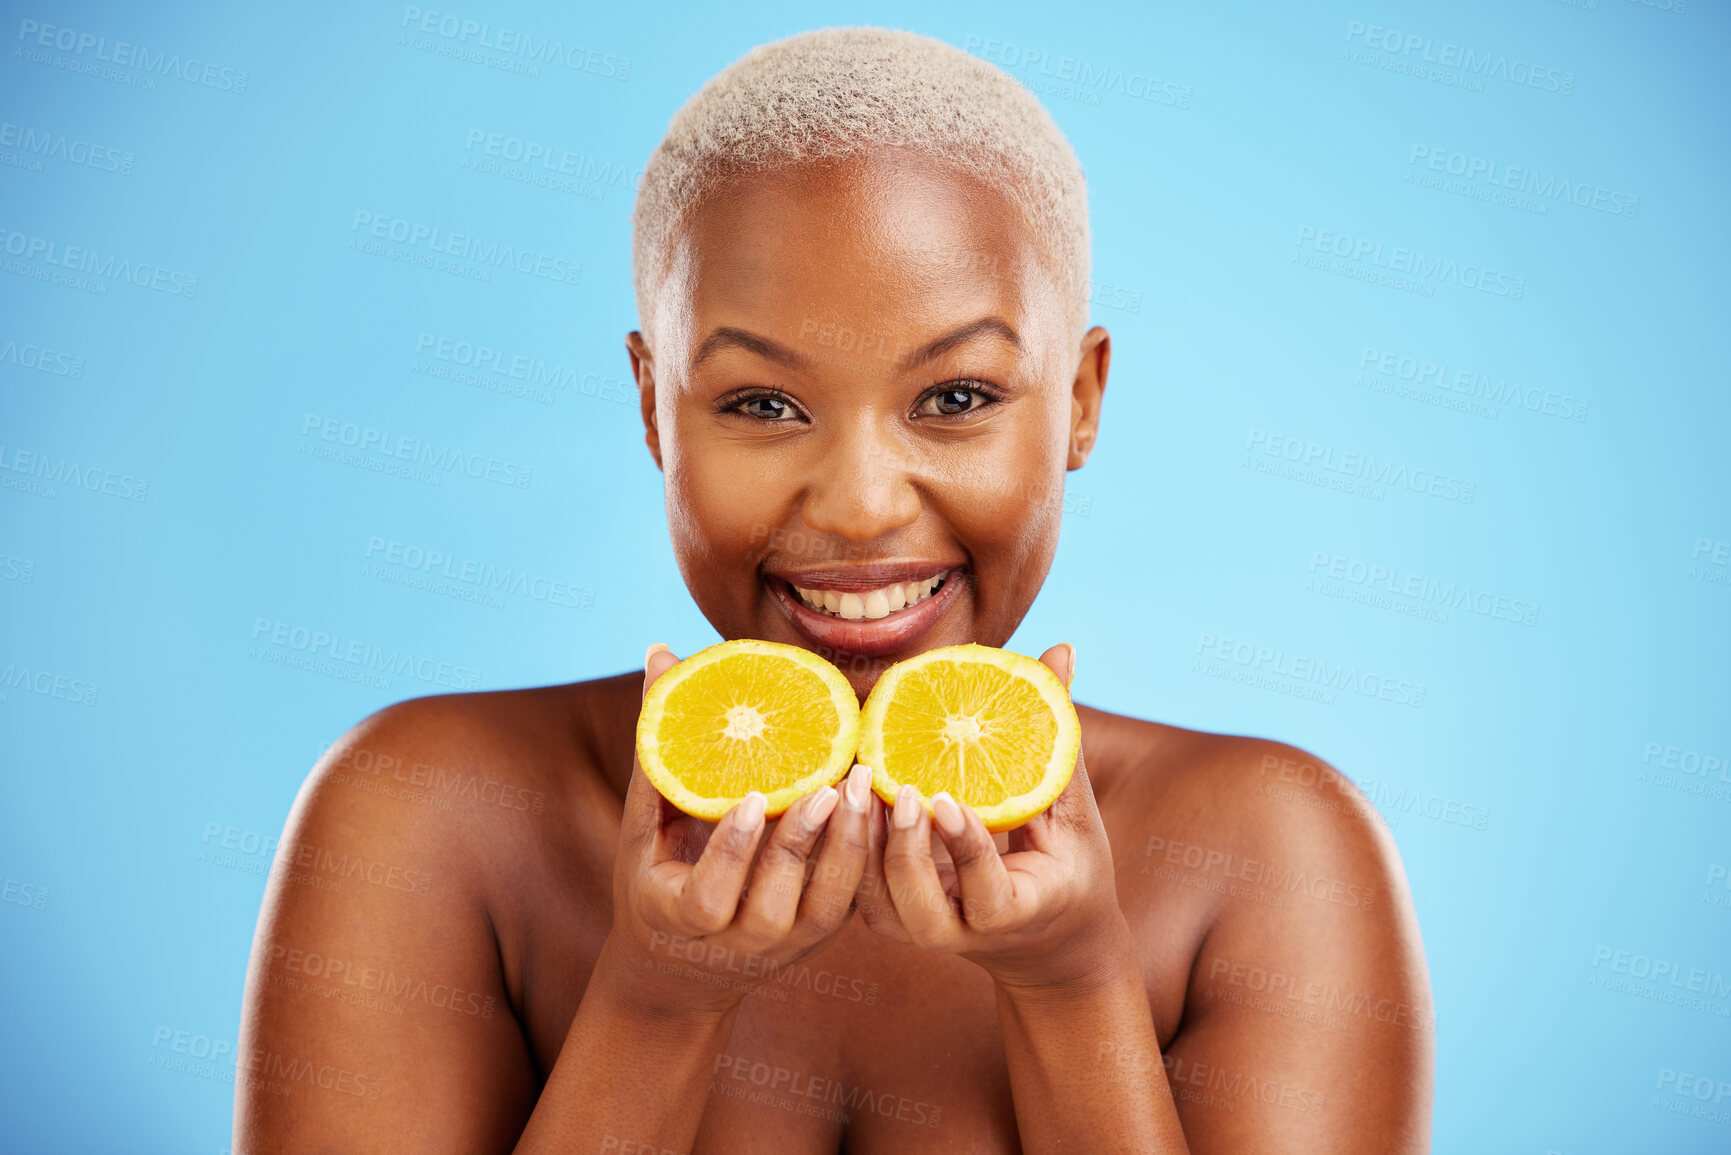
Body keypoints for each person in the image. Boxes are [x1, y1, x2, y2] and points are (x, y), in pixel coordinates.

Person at [235, 27, 1432, 1153]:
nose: (860, 504)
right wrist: (658, 1002)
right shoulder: (423, 814)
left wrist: (1072, 984)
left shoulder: (1274, 854)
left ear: (1080, 400)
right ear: (657, 409)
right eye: (763, 404)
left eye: (957, 397)